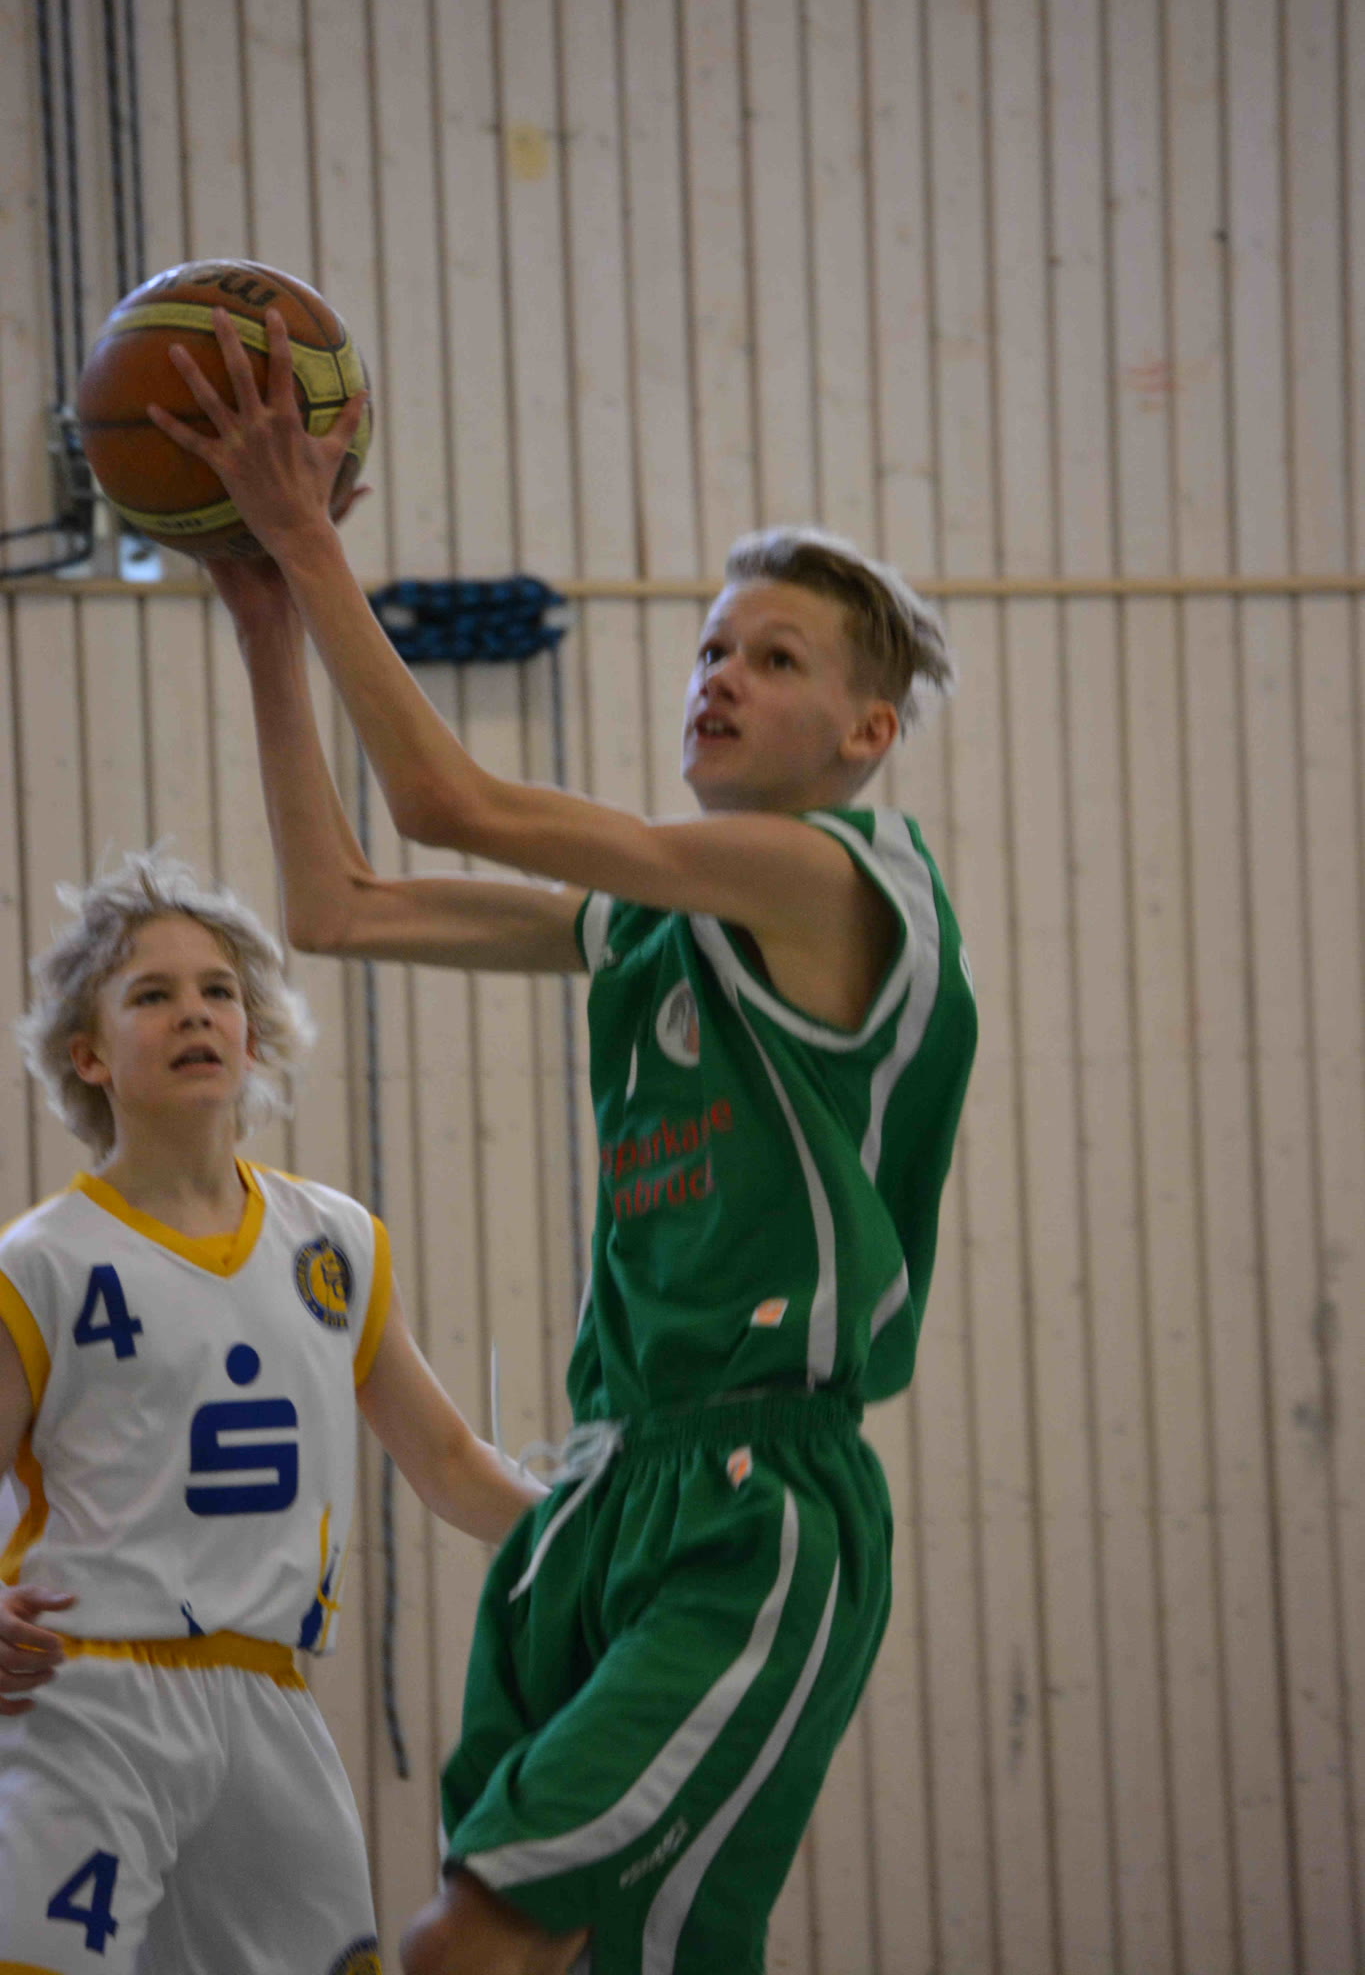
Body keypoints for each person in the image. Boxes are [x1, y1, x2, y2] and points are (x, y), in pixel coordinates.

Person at [149, 310, 978, 1975]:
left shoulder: (838, 874)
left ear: (867, 733)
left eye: (777, 659)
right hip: (606, 1487)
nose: (720, 676)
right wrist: (262, 619)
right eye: (710, 648)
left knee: (470, 1938)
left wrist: (310, 540)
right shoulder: (655, 925)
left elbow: (449, 804)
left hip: (759, 1498)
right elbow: (340, 904)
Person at [0, 852, 541, 1975]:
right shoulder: (42, 1262)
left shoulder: (335, 1240)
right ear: (88, 1053)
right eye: (153, 994)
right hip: (91, 1694)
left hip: (271, 1697)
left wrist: (601, 1536)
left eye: (219, 990)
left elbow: (448, 1461)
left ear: (251, 1033)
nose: (196, 1011)